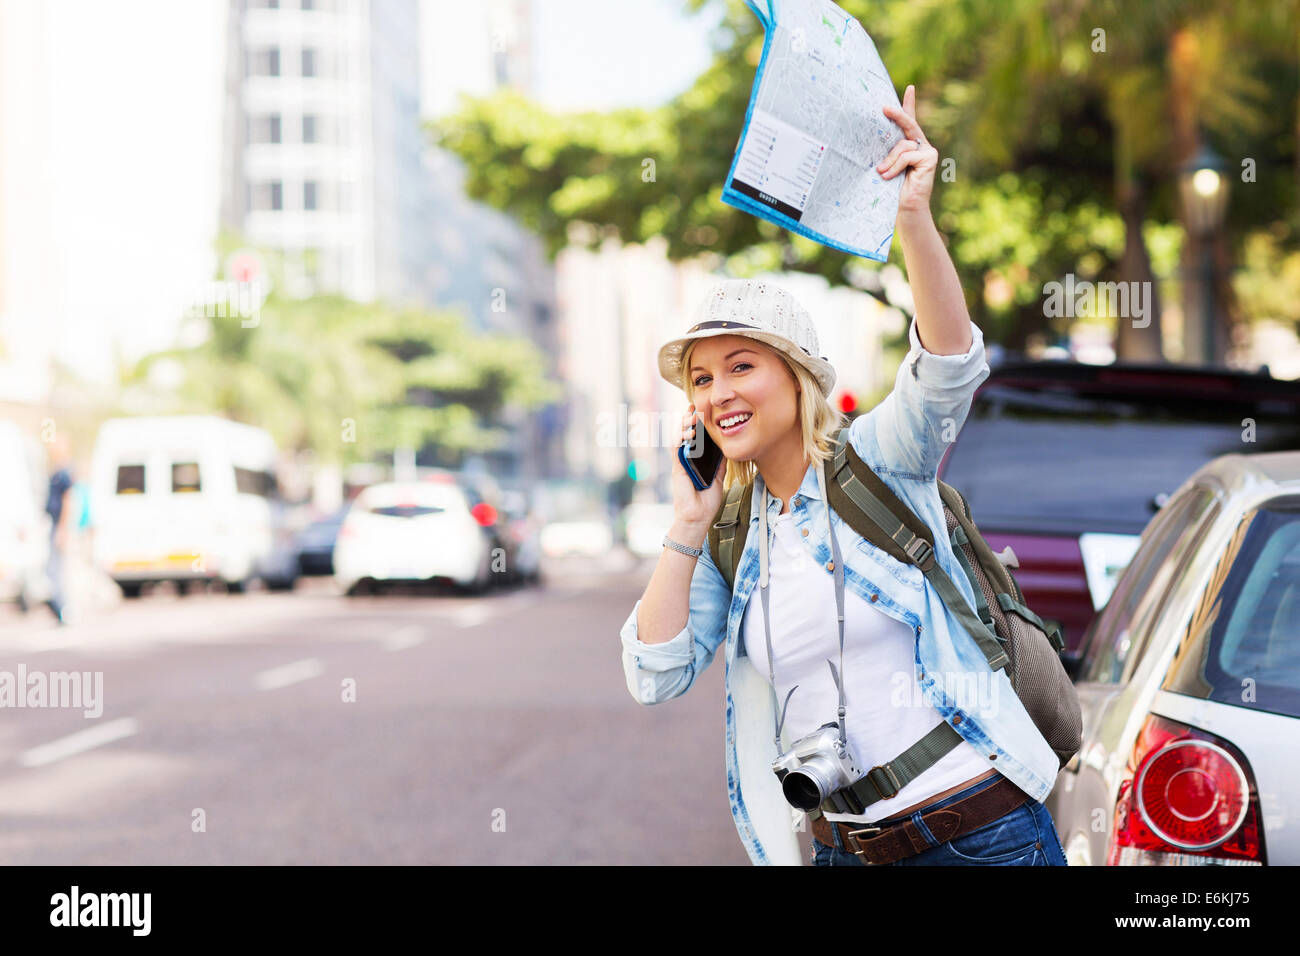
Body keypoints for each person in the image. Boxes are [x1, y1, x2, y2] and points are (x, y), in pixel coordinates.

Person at [619, 86, 1069, 866]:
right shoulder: (730, 531)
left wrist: (914, 223)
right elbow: (653, 673)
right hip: (842, 849)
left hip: (979, 834)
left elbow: (949, 367)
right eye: (699, 379)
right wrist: (688, 524)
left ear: (797, 378)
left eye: (740, 366)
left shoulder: (879, 461)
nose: (717, 392)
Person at [44, 432, 76, 625]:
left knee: (57, 569)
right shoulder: (56, 470)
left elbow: (68, 500)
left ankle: (64, 608)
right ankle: (60, 607)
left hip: (59, 525)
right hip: (53, 523)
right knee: (52, 568)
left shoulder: (64, 471)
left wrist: (63, 529)